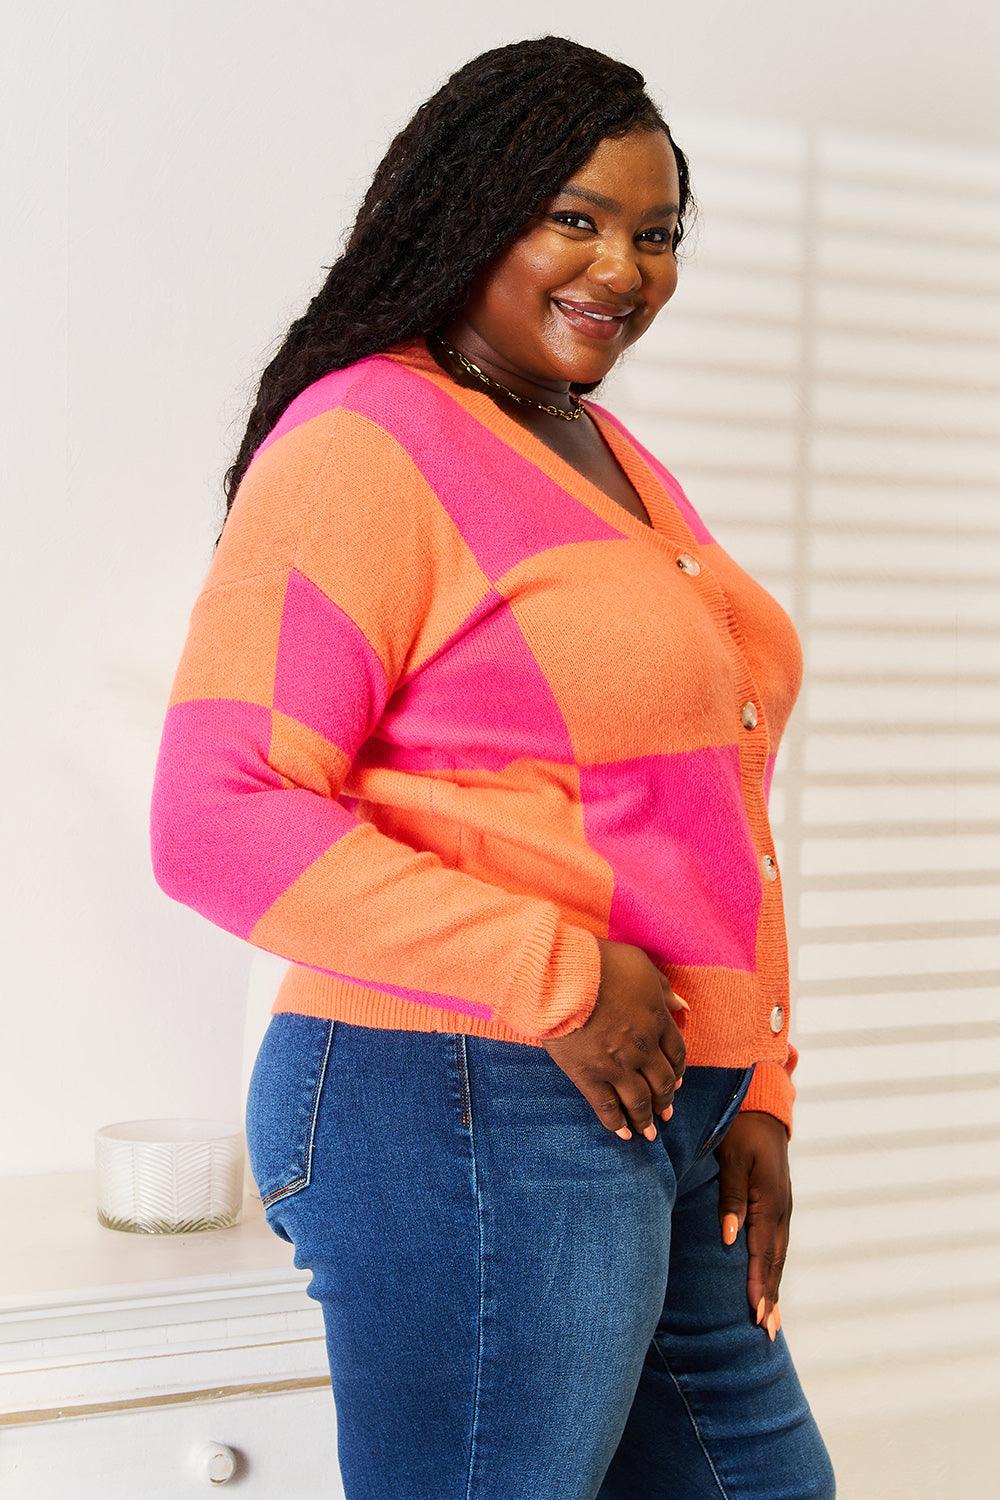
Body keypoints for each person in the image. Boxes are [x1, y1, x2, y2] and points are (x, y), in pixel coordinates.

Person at [149, 34, 836, 1500]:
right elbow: (215, 815)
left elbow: (708, 795)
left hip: (668, 1096)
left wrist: (759, 1081)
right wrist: (560, 973)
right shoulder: (367, 440)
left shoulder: (601, 448)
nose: (623, 269)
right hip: (461, 1082)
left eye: (657, 234)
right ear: (466, 210)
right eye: (573, 218)